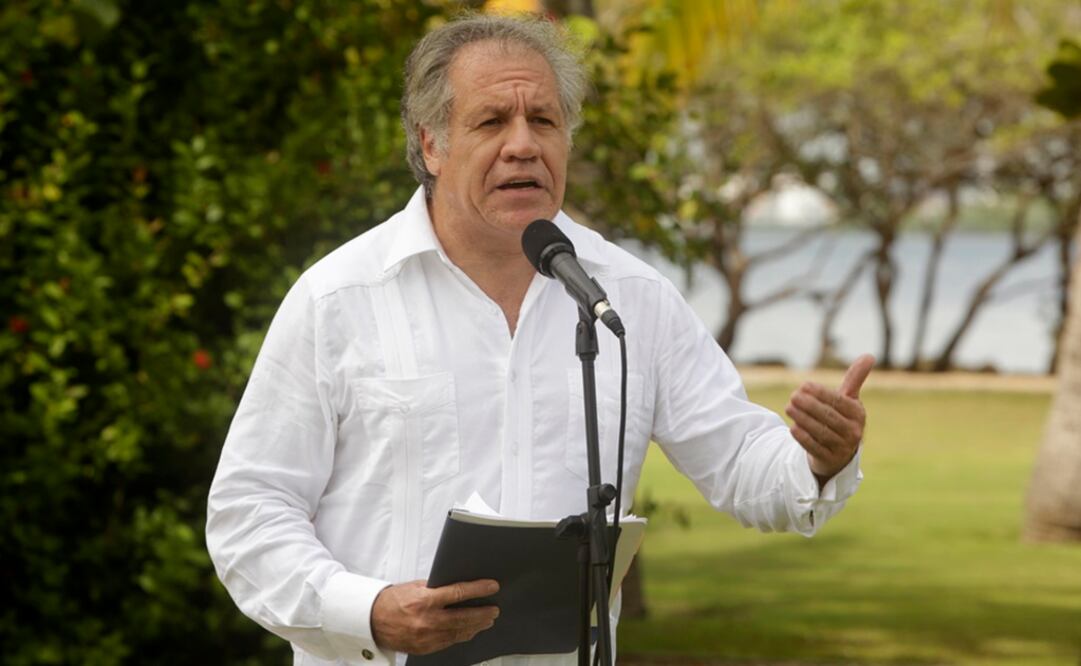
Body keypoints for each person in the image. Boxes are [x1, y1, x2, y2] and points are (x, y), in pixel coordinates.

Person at [206, 14, 874, 666]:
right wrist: (370, 610)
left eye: (544, 121)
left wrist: (819, 460)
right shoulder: (340, 298)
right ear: (431, 144)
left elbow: (742, 465)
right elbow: (250, 513)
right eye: (492, 121)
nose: (523, 145)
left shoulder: (630, 298)